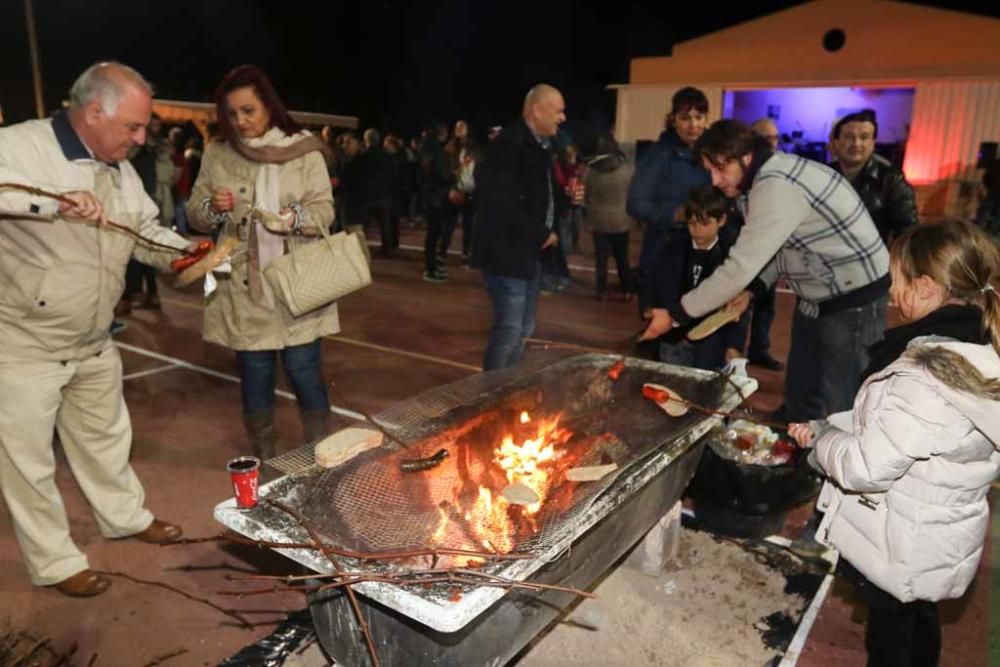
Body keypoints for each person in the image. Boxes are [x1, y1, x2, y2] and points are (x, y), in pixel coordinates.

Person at [0, 61, 195, 597]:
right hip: (22, 343)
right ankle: (56, 562)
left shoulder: (120, 170)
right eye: (132, 127)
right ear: (93, 112)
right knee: (28, 465)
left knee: (106, 440)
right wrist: (50, 204)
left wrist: (189, 253)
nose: (140, 138)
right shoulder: (20, 146)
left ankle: (124, 517)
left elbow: (144, 230)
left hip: (92, 338)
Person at [789, 219, 1000, 667]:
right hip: (932, 533)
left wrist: (820, 446)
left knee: (890, 642)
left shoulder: (925, 372)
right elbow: (908, 430)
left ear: (925, 287)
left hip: (902, 538)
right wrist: (833, 425)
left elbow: (867, 466)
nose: (891, 293)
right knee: (919, 621)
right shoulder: (975, 350)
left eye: (897, 281)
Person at [642, 119, 890, 424]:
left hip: (853, 298)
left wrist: (675, 314)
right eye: (710, 170)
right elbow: (779, 247)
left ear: (745, 158)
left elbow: (738, 267)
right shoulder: (757, 183)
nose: (715, 180)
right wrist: (752, 291)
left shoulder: (775, 187)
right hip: (817, 289)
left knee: (843, 398)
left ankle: (841, 461)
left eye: (720, 169)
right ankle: (795, 434)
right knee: (801, 385)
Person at [186, 65, 337, 459]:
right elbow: (195, 214)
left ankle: (322, 459)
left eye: (249, 110)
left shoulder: (303, 150)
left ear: (269, 105)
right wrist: (212, 208)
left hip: (299, 282)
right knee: (255, 374)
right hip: (244, 286)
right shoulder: (219, 152)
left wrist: (297, 219)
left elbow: (324, 210)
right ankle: (265, 461)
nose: (241, 121)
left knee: (304, 370)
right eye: (233, 114)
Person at [472, 84, 565, 370]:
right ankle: (491, 397)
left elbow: (538, 197)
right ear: (536, 110)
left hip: (527, 254)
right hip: (507, 255)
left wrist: (566, 202)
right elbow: (500, 202)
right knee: (510, 329)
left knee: (523, 327)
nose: (562, 117)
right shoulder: (510, 145)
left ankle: (505, 391)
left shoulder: (538, 147)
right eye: (558, 110)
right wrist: (541, 232)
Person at [627, 87, 711, 310]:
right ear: (673, 120)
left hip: (705, 254)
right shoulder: (658, 155)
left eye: (699, 117)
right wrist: (676, 213)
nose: (693, 125)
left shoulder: (713, 154)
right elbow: (635, 203)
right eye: (685, 118)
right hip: (664, 252)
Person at [650, 185, 748, 370]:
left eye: (704, 224)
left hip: (711, 344)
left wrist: (734, 345)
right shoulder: (672, 248)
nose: (697, 230)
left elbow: (738, 309)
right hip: (673, 340)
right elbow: (657, 287)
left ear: (721, 220)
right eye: (691, 223)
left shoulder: (732, 257)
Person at [828, 109, 917, 246]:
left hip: (871, 261)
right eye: (849, 137)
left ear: (873, 143)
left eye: (864, 137)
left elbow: (907, 231)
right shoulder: (824, 174)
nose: (856, 143)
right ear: (836, 142)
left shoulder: (892, 180)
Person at [742, 117, 784, 371]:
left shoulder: (778, 174)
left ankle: (759, 349)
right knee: (741, 307)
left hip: (770, 256)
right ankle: (734, 353)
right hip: (748, 254)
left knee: (766, 308)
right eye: (765, 138)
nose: (771, 143)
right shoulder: (746, 175)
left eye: (774, 138)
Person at [583, 133, 635, 300]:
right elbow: (633, 193)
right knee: (622, 257)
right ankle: (627, 290)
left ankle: (601, 290)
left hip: (598, 220)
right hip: (621, 220)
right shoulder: (627, 170)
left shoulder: (591, 171)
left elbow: (587, 194)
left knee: (601, 258)